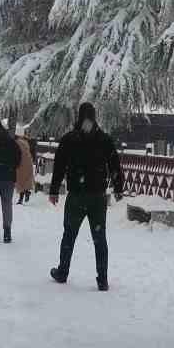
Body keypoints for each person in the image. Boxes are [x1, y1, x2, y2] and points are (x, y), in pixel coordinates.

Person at [48, 103, 123, 291]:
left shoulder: (69, 139)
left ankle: (63, 272)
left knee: (69, 234)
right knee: (99, 238)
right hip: (97, 196)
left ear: (79, 117)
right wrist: (118, 187)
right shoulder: (104, 139)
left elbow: (59, 166)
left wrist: (54, 190)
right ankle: (103, 279)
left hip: (77, 196)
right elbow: (115, 164)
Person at [14, 132, 35, 204]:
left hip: (21, 164)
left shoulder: (17, 143)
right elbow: (32, 153)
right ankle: (27, 192)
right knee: (26, 181)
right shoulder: (26, 142)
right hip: (29, 163)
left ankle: (21, 199)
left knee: (20, 181)